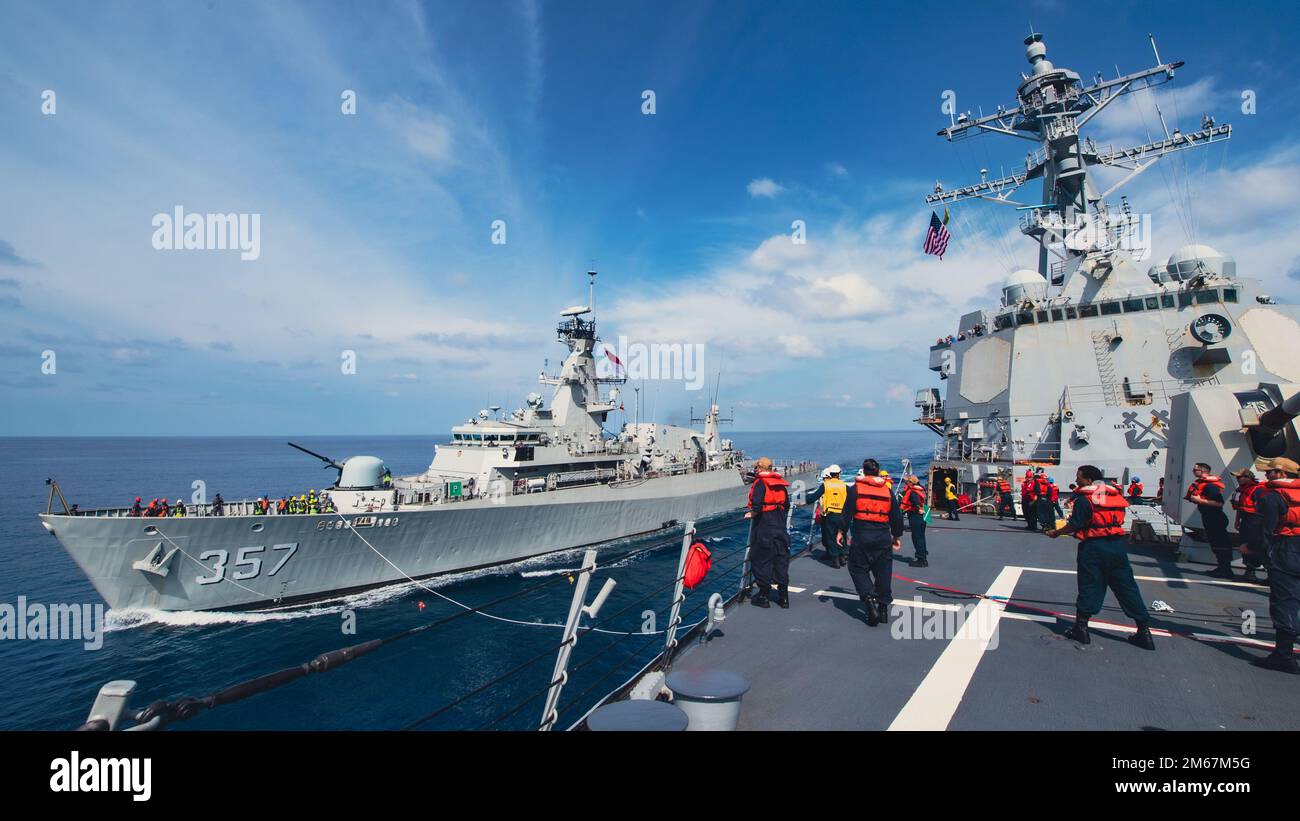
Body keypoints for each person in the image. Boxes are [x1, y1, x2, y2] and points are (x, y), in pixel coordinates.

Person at [1045, 464, 1155, 650]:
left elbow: (1076, 524)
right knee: (1127, 588)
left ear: (1088, 480)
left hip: (1094, 548)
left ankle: (1081, 629)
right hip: (1117, 547)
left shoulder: (1084, 500)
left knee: (1090, 585)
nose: (1076, 479)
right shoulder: (1115, 496)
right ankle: (1144, 631)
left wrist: (1056, 533)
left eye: (1078, 476)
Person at [838, 459, 904, 627]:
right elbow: (896, 516)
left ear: (864, 471)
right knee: (883, 571)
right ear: (878, 471)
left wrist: (841, 532)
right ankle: (882, 609)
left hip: (862, 535)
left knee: (857, 568)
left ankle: (868, 598)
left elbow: (846, 513)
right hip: (882, 536)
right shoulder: (887, 492)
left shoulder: (855, 489)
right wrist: (896, 536)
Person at [1251, 457, 1300, 674]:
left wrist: (1256, 554)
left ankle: (1284, 655)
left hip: (1285, 551)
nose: (1266, 476)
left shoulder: (1272, 497)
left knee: (1284, 601)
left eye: (1270, 472)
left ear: (1281, 474)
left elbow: (1265, 531)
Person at [746, 457, 791, 609]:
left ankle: (764, 596)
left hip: (764, 525)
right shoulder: (780, 483)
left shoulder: (760, 483)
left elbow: (757, 504)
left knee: (761, 558)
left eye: (756, 468)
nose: (755, 470)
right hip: (779, 525)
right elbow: (786, 504)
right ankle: (784, 597)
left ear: (759, 468)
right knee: (781, 559)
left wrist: (752, 513)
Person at [1186, 463, 1234, 579]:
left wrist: (1199, 500)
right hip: (1209, 517)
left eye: (1195, 469)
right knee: (1215, 542)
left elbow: (1219, 503)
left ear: (1203, 471)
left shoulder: (1210, 487)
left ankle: (1226, 569)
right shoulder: (1204, 484)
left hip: (1215, 518)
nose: (1193, 471)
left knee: (1220, 542)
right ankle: (1222, 567)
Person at [805, 465, 848, 567]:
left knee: (831, 537)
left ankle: (835, 559)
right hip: (842, 514)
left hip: (830, 514)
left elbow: (813, 497)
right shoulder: (844, 485)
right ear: (839, 473)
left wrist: (804, 500)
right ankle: (843, 556)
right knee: (841, 536)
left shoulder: (826, 485)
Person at [1230, 467, 1268, 583]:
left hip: (1255, 520)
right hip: (1245, 520)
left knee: (1256, 545)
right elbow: (1240, 507)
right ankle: (1249, 572)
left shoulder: (1258, 490)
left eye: (1240, 477)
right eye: (1237, 477)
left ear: (1248, 477)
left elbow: (1263, 508)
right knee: (1244, 544)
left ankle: (1266, 574)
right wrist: (1237, 521)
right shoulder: (1241, 490)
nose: (1238, 479)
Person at [900, 474, 929, 567]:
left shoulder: (912, 492)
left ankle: (921, 559)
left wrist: (916, 509)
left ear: (910, 482)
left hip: (916, 516)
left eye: (907, 481)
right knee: (921, 536)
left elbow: (916, 503)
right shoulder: (922, 489)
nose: (906, 483)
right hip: (925, 515)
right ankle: (923, 556)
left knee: (917, 537)